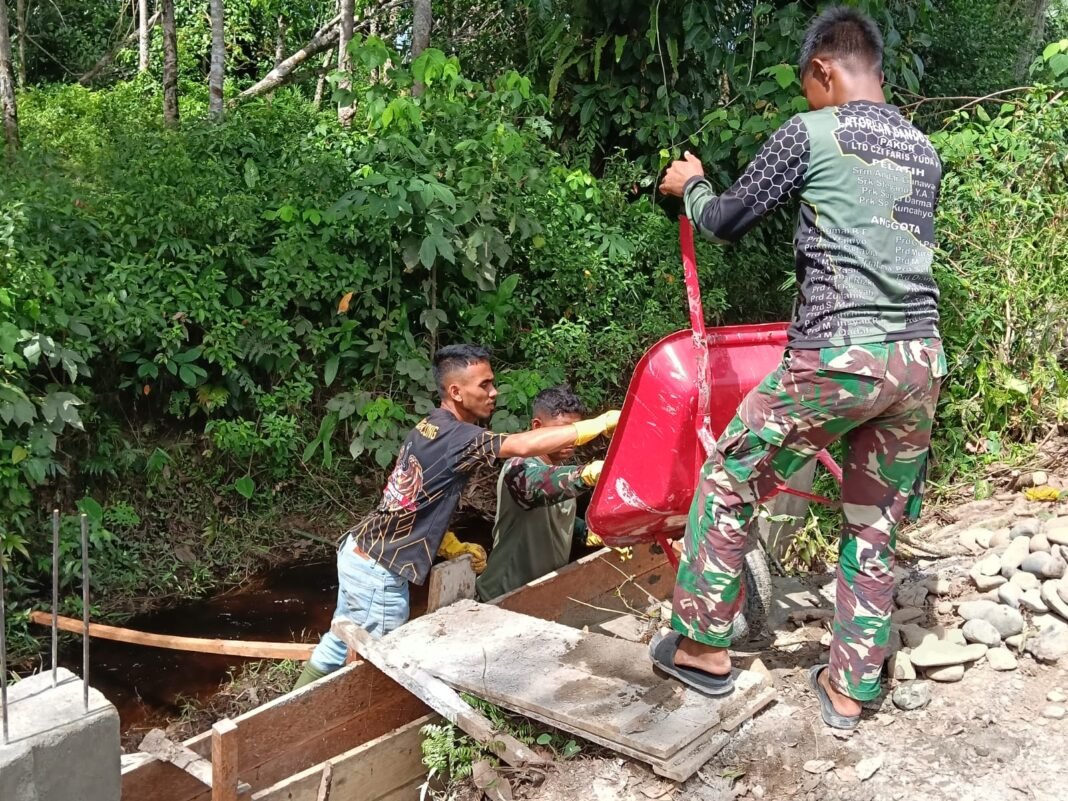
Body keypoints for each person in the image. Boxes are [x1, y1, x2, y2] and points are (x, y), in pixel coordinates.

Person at [651, 6, 945, 730]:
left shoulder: (811, 133)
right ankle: (850, 690)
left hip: (839, 355)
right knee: (873, 523)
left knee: (729, 475)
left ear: (822, 70)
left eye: (806, 85)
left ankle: (703, 647)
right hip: (918, 361)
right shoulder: (923, 150)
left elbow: (724, 220)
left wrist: (688, 184)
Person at [294, 345, 620, 688]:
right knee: (379, 670)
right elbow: (523, 446)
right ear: (456, 391)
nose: (494, 393)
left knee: (338, 642)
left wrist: (449, 544)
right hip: (381, 571)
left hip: (361, 553)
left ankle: (289, 712)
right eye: (485, 385)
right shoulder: (459, 436)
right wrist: (599, 425)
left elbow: (409, 496)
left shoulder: (430, 425)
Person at [476, 385, 604, 601]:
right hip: (502, 597)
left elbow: (560, 514)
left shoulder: (559, 470)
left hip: (542, 594)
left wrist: (592, 534)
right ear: (537, 426)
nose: (571, 440)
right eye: (563, 431)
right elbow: (537, 487)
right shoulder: (517, 468)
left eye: (576, 433)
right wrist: (586, 475)